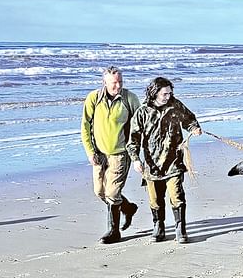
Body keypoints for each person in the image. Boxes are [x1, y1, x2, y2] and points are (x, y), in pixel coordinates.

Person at [126, 77, 202, 243]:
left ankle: (180, 229)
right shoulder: (142, 112)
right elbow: (133, 139)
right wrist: (135, 160)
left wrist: (194, 127)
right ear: (155, 93)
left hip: (174, 161)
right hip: (151, 164)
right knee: (155, 199)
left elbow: (189, 119)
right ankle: (158, 227)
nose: (168, 96)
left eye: (170, 92)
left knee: (177, 195)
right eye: (165, 93)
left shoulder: (175, 106)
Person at [81, 66, 141, 244]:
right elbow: (85, 126)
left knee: (113, 192)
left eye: (120, 82)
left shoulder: (130, 98)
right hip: (99, 154)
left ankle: (114, 232)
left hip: (120, 154)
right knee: (99, 192)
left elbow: (140, 125)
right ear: (104, 82)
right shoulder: (94, 98)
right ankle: (128, 208)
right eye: (114, 83)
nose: (118, 86)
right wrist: (90, 151)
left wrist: (137, 152)